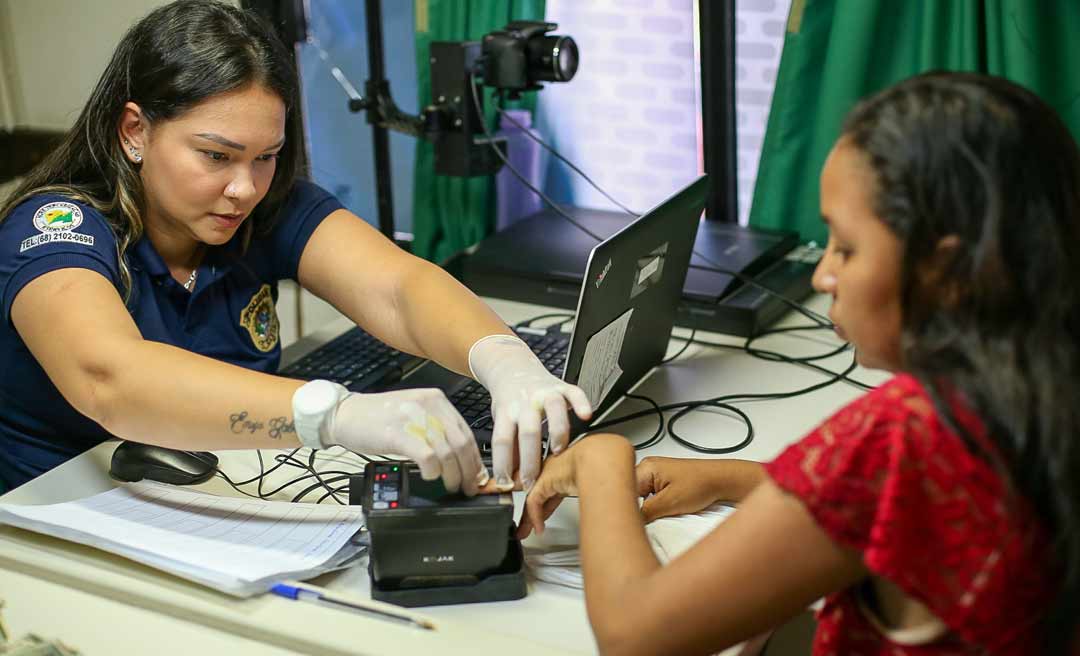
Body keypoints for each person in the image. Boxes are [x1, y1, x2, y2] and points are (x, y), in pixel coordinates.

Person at [517, 72, 1079, 655]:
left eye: (847, 248)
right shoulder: (1035, 385)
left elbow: (636, 635)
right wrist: (732, 478)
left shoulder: (907, 431)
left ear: (947, 270)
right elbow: (890, 502)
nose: (822, 276)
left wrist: (602, 458)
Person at [0, 0, 590, 494]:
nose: (244, 188)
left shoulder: (264, 204)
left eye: (266, 156)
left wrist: (504, 360)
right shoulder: (56, 229)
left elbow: (397, 287)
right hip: (62, 526)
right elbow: (112, 379)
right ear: (135, 132)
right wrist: (333, 414)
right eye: (215, 155)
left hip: (216, 491)